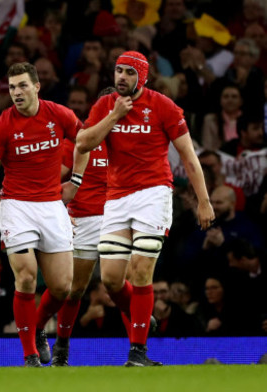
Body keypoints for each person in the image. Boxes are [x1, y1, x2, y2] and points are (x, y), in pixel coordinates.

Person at [76, 51, 215, 366]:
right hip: (116, 196)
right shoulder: (104, 105)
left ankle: (137, 352)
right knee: (111, 279)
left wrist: (204, 200)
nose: (121, 77)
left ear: (143, 77)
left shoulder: (164, 106)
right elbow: (83, 143)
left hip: (153, 194)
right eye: (118, 71)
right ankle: (142, 316)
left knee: (140, 270)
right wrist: (113, 116)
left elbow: (190, 158)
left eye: (128, 72)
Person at [0, 62, 88, 367]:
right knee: (25, 277)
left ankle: (37, 328)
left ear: (37, 86)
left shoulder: (59, 114)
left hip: (52, 206)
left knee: (63, 286)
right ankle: (30, 356)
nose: (16, 93)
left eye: (22, 85)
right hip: (16, 206)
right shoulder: (1, 125)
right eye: (11, 88)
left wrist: (75, 181)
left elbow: (85, 141)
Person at [35, 87, 112, 366]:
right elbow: (51, 181)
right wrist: (55, 209)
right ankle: (61, 345)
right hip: (84, 219)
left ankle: (137, 351)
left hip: (118, 218)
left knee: (127, 283)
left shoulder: (130, 141)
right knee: (74, 290)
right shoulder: (80, 140)